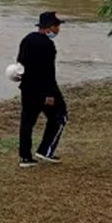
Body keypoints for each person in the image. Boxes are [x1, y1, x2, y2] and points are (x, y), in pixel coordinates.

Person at [17, 11, 68, 167]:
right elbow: (48, 71)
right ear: (49, 27)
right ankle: (45, 150)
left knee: (27, 122)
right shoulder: (47, 45)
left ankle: (25, 157)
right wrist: (49, 94)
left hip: (27, 88)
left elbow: (20, 63)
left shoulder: (27, 39)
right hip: (44, 89)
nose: (58, 29)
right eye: (57, 26)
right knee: (60, 116)